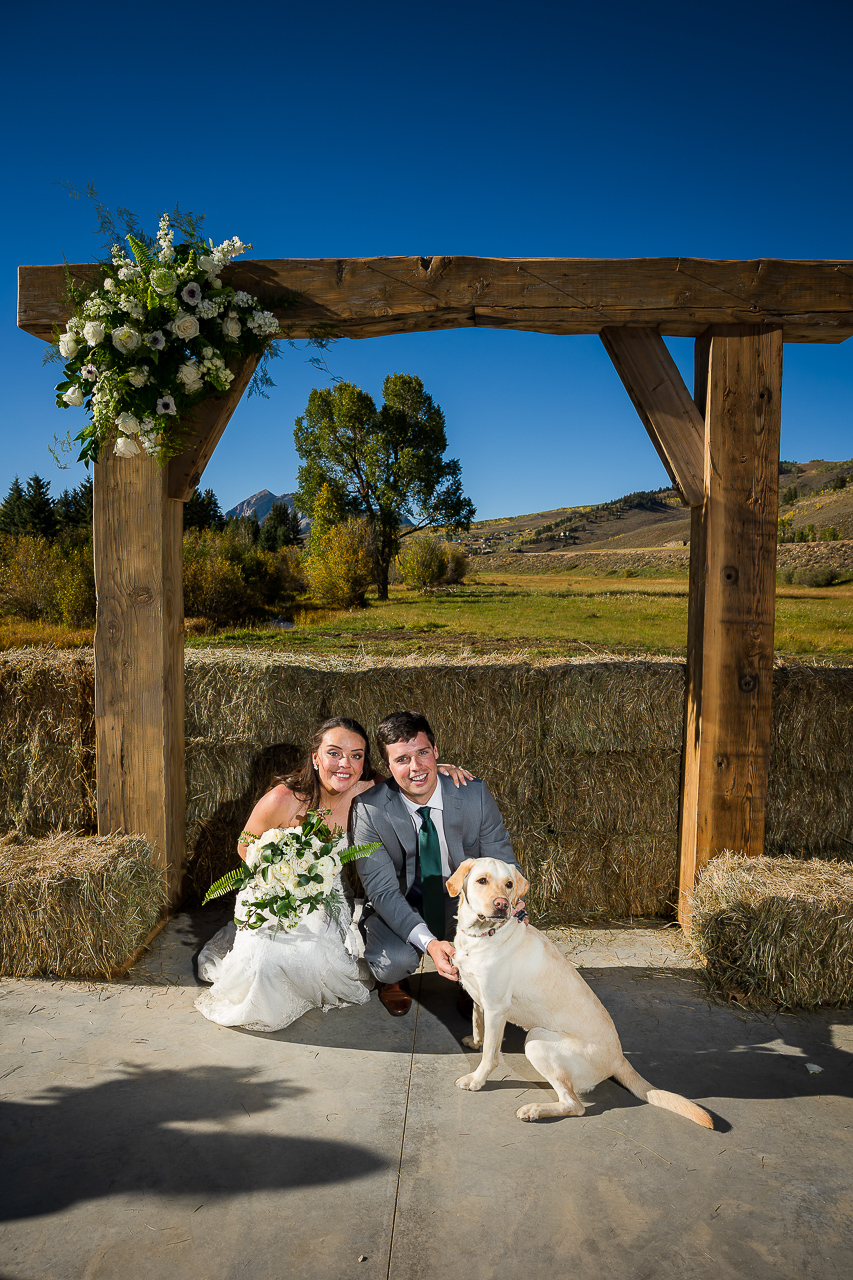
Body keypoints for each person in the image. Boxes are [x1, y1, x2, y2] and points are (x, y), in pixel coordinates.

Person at [195, 716, 471, 1031]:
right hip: (273, 893)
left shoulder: (368, 792)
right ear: (315, 757)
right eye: (334, 753)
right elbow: (245, 846)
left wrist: (441, 769)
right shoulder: (283, 800)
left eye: (356, 755)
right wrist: (282, 876)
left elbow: (411, 779)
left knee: (313, 959)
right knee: (264, 963)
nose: (345, 764)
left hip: (327, 895)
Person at [351, 710, 521, 1016]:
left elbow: (504, 859)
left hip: (462, 901)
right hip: (403, 901)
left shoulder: (474, 794)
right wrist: (430, 944)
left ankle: (472, 981)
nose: (416, 767)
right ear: (388, 766)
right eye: (402, 759)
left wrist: (512, 899)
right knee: (393, 963)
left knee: (509, 951)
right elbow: (382, 891)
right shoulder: (368, 810)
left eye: (422, 753)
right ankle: (394, 982)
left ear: (436, 752)